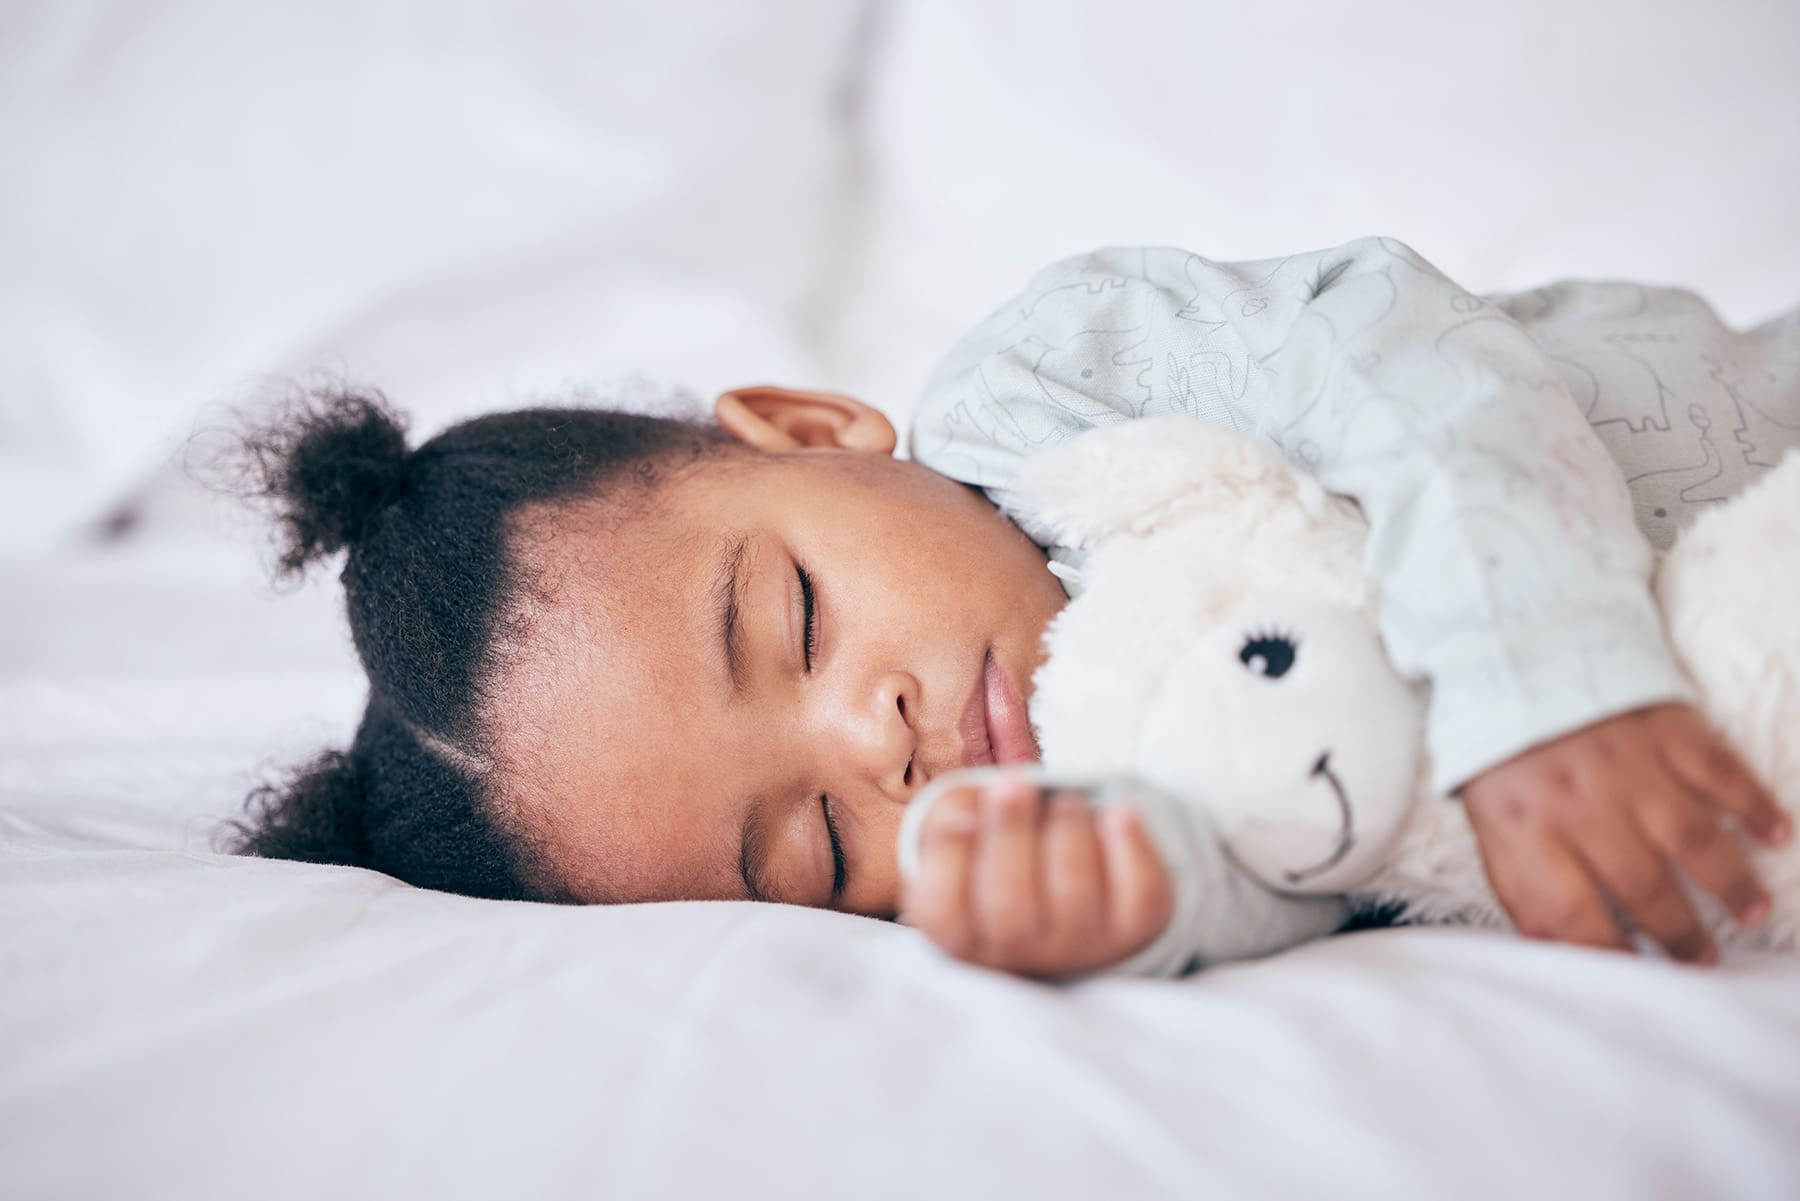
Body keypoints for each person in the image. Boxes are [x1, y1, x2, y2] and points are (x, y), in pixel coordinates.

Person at [223, 235, 1797, 981]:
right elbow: (1302, 859)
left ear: (814, 430)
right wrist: (1120, 907)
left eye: (791, 619)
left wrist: (1555, 682)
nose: (878, 747)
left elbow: (1390, 351)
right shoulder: (1103, 786)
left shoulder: (1046, 390)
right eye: (821, 854)